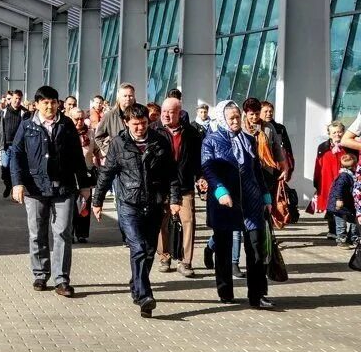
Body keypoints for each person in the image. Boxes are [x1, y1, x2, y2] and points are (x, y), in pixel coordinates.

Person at [92, 103, 181, 317]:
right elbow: (107, 173)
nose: (140, 128)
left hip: (154, 203)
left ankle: (137, 284)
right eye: (135, 124)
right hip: (128, 203)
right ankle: (144, 296)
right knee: (138, 248)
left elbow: (172, 173)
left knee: (149, 250)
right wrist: (97, 200)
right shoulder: (118, 143)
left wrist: (175, 198)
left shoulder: (160, 141)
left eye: (143, 123)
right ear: (126, 123)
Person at [9, 85, 93, 297]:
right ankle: (40, 273)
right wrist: (17, 183)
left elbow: (77, 157)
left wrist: (84, 185)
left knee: (62, 232)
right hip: (35, 188)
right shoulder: (27, 126)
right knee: (37, 231)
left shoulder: (66, 125)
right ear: (37, 104)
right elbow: (16, 155)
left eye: (53, 102)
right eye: (45, 102)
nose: (49, 106)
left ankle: (62, 279)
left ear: (58, 104)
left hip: (63, 187)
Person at [201, 100, 275, 309]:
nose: (235, 121)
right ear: (222, 119)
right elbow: (208, 169)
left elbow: (256, 170)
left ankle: (258, 294)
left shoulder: (249, 139)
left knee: (256, 247)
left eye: (237, 117)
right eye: (231, 117)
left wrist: (266, 196)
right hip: (225, 201)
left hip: (251, 200)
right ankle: (225, 291)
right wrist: (220, 190)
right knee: (224, 248)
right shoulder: (212, 141)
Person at [153, 97, 206, 277]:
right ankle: (164, 256)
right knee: (162, 222)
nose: (166, 115)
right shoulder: (154, 130)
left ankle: (186, 262)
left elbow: (198, 159)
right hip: (161, 186)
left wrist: (200, 177)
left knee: (188, 221)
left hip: (184, 185)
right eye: (164, 112)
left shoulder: (191, 133)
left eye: (171, 112)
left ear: (179, 113)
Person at [314, 121, 347, 239]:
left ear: (343, 132)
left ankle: (346, 232)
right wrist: (316, 181)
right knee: (330, 207)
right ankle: (332, 230)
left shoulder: (348, 146)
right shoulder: (323, 147)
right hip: (327, 181)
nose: (337, 134)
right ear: (329, 134)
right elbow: (318, 165)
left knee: (345, 205)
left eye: (339, 131)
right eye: (334, 132)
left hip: (344, 180)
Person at [67, 104, 95, 243]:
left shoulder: (90, 133)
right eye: (76, 119)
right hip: (70, 173)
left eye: (82, 119)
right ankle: (70, 232)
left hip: (86, 172)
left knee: (85, 203)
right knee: (71, 204)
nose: (79, 122)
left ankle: (82, 233)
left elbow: (97, 149)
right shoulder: (65, 133)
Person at [0, 90, 26, 199]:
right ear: (11, 99)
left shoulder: (24, 113)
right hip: (5, 145)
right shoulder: (3, 112)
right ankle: (7, 185)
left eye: (19, 99)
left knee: (15, 168)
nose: (17, 101)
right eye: (15, 98)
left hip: (18, 146)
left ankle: (13, 189)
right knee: (5, 168)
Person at [93, 83, 136, 160]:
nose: (128, 98)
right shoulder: (109, 115)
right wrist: (110, 151)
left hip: (137, 157)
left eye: (130, 96)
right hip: (119, 159)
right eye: (125, 96)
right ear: (119, 97)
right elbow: (98, 137)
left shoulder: (141, 113)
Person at [328, 151, 359, 247]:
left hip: (348, 204)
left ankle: (353, 238)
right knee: (341, 223)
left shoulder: (352, 175)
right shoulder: (344, 176)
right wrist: (339, 199)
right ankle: (341, 240)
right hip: (339, 204)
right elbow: (339, 188)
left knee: (355, 221)